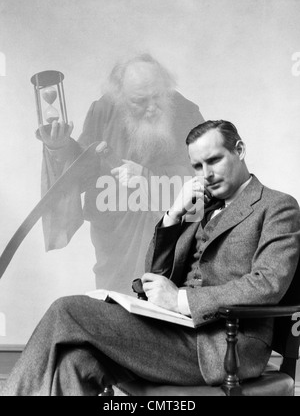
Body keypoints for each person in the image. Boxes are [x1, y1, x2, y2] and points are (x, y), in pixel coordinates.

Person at [2, 120, 300, 396]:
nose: (205, 174)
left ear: (240, 150)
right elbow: (154, 275)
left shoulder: (277, 206)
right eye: (197, 166)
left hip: (223, 346)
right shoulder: (200, 209)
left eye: (214, 160)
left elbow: (268, 284)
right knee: (75, 361)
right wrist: (173, 215)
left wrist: (179, 301)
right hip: (176, 333)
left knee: (66, 309)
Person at [39, 53, 204, 294]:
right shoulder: (103, 110)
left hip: (168, 236)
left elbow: (205, 177)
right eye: (140, 100)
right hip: (115, 237)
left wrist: (150, 178)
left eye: (158, 96)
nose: (151, 108)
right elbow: (83, 171)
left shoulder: (187, 112)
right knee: (113, 313)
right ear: (120, 96)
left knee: (163, 314)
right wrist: (59, 147)